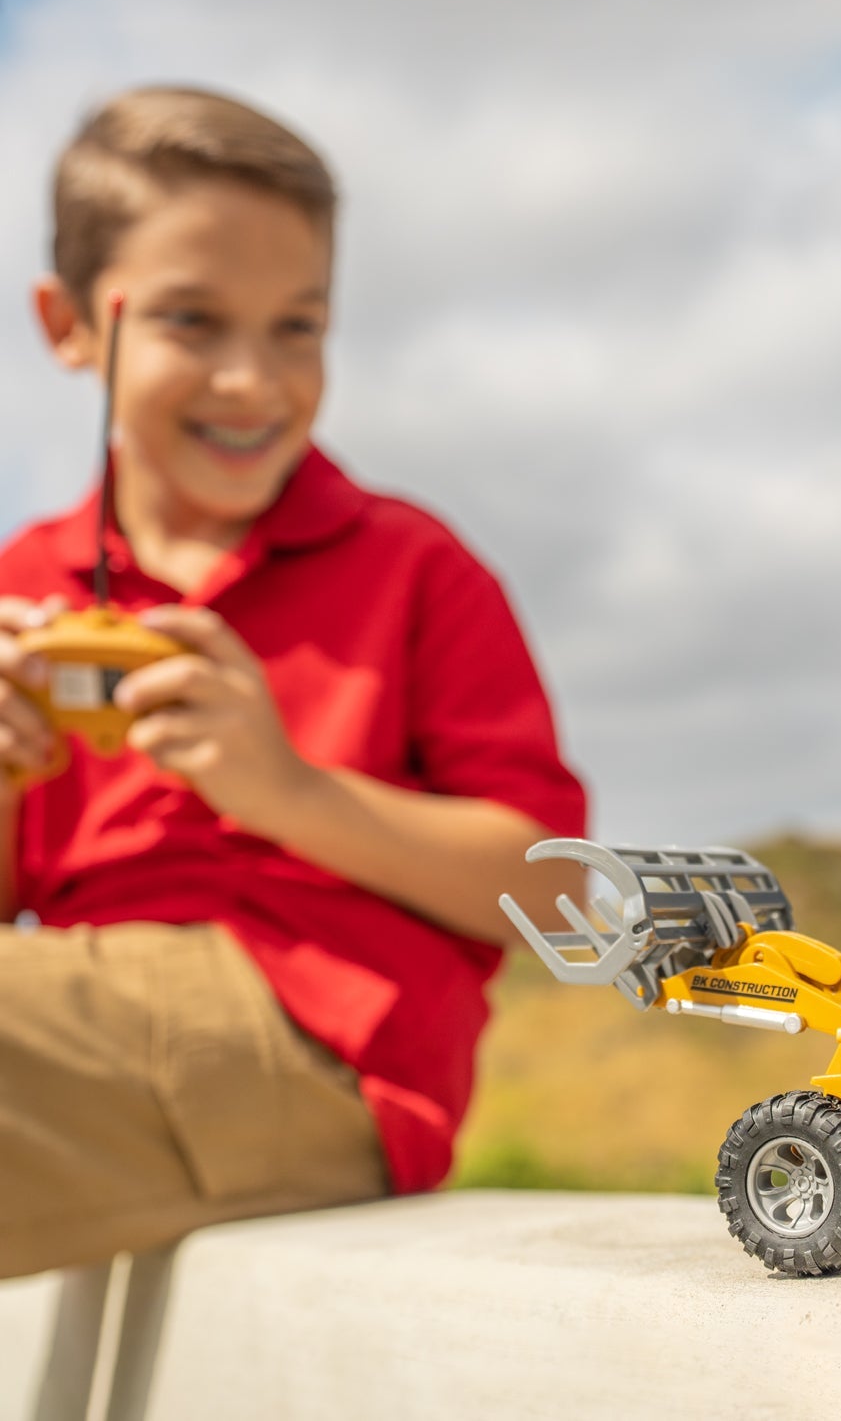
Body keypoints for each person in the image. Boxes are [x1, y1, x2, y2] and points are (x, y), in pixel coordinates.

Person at [0, 86, 587, 1281]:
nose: (251, 383)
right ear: (68, 326)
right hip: (72, 1023)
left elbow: (560, 894)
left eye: (297, 328)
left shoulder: (413, 565)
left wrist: (288, 790)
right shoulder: (24, 585)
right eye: (192, 322)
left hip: (314, 1044)